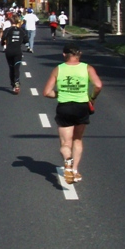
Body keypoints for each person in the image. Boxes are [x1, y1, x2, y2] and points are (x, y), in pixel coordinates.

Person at [43, 42, 102, 184]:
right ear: (79, 54)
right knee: (77, 139)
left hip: (65, 107)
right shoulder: (87, 68)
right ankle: (75, 170)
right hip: (82, 106)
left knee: (65, 143)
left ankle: (68, 161)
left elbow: (46, 92)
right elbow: (98, 85)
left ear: (64, 55)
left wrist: (60, 93)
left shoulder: (58, 69)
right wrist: (92, 98)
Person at [1, 16, 29, 94]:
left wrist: (3, 43)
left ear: (10, 22)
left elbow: (3, 38)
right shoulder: (21, 30)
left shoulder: (7, 30)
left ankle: (13, 85)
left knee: (11, 68)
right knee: (17, 67)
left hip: (9, 51)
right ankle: (17, 82)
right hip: (18, 51)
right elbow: (26, 40)